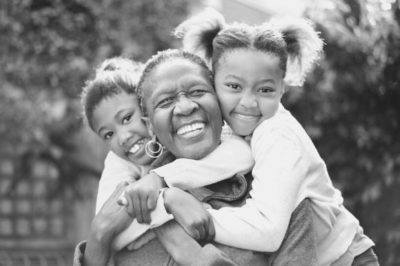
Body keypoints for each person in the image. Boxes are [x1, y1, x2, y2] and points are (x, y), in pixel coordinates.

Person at [172, 8, 379, 265]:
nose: (248, 102)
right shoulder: (227, 128)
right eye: (234, 86)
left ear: (283, 88)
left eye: (265, 89)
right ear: (212, 81)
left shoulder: (277, 134)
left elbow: (268, 231)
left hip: (346, 259)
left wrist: (195, 215)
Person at [74, 53, 317, 265]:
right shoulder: (121, 169)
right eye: (165, 101)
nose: (184, 107)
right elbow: (108, 224)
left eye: (198, 91)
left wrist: (163, 188)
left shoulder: (273, 191)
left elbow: (239, 155)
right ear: (150, 118)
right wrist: (99, 235)